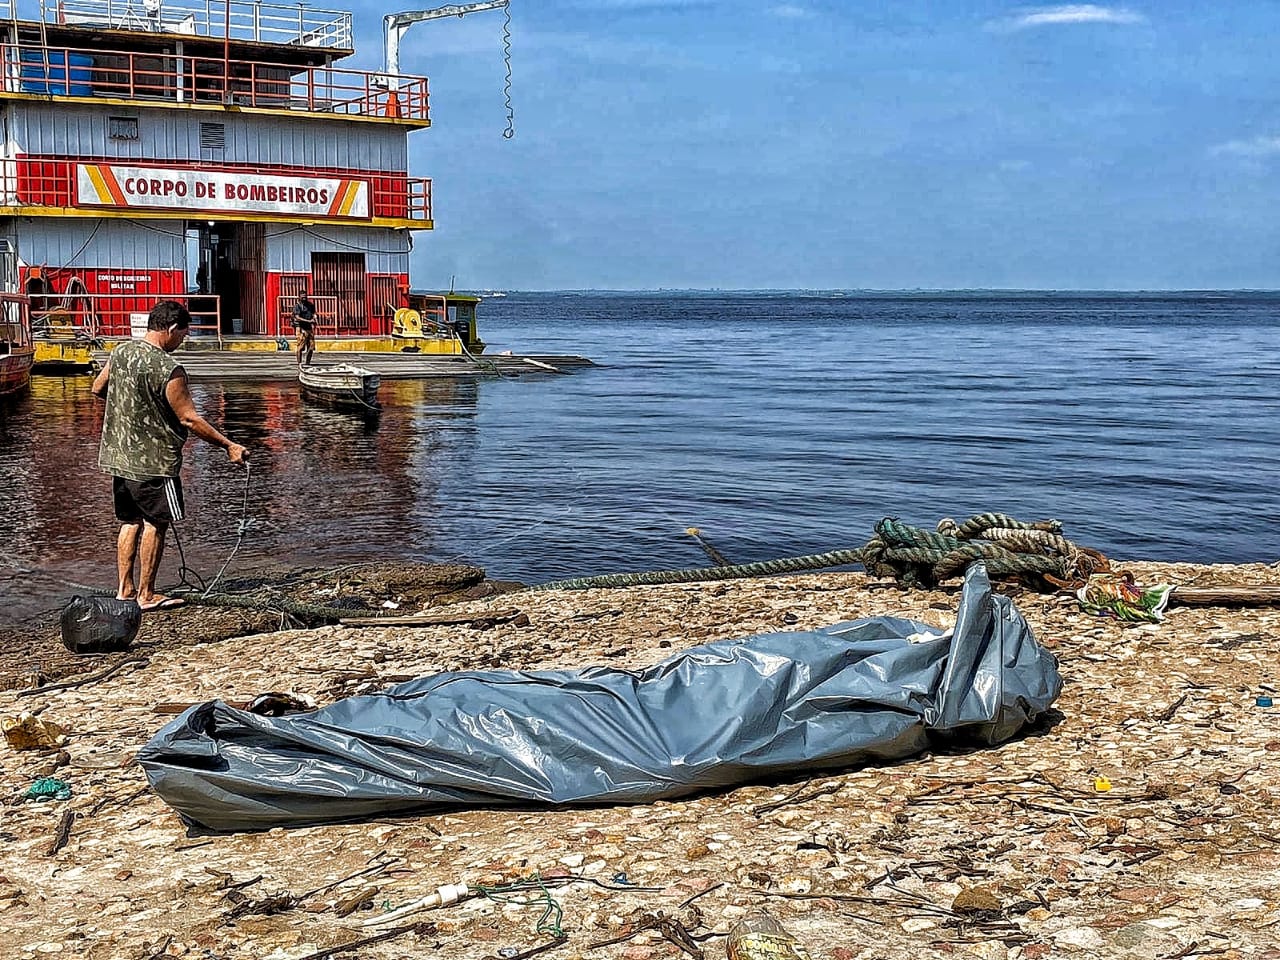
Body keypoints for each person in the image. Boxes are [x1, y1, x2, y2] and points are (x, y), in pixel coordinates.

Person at [92, 300, 248, 612]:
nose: (182, 342)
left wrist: (132, 405)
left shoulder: (121, 351)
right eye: (183, 336)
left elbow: (98, 388)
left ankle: (125, 590)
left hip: (118, 458)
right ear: (172, 329)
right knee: (156, 522)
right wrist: (228, 445)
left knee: (128, 522)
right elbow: (189, 418)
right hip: (154, 463)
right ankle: (147, 595)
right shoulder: (167, 368)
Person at [292, 289, 317, 367]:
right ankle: (299, 363)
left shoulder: (310, 305)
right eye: (302, 297)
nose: (304, 298)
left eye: (305, 297)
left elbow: (314, 313)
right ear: (299, 297)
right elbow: (297, 317)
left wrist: (315, 316)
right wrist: (309, 321)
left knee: (311, 346)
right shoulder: (297, 306)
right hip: (300, 327)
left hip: (309, 328)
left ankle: (308, 363)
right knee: (301, 346)